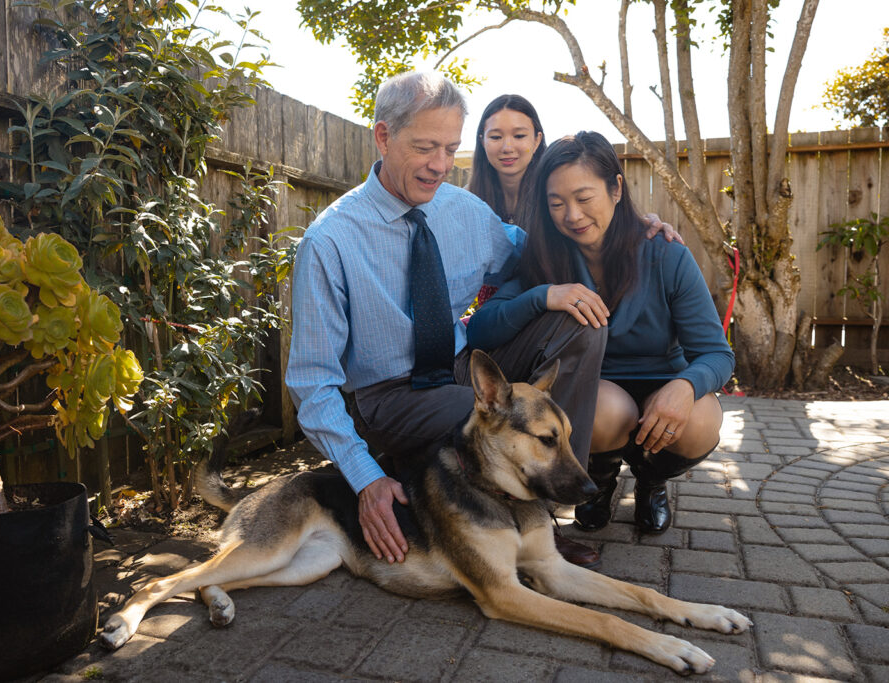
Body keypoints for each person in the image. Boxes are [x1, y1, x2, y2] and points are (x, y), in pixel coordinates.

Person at [284, 72, 607, 570]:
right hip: (389, 397)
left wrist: (625, 228)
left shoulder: (464, 211)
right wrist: (365, 478)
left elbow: (531, 253)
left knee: (578, 322)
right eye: (425, 147)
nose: (439, 165)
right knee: (483, 416)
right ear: (384, 136)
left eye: (451, 148)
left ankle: (555, 495)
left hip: (461, 367)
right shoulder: (330, 243)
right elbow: (313, 382)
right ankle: (529, 531)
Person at [467, 131, 733, 535]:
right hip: (600, 389)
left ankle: (651, 481)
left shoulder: (666, 254)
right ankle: (601, 482)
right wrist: (544, 295)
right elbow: (483, 329)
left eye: (584, 197)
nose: (572, 215)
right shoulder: (544, 258)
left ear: (616, 189)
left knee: (700, 422)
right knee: (610, 410)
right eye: (556, 204)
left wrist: (685, 385)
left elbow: (717, 354)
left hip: (665, 379)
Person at [466, 94, 546, 223]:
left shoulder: (553, 195)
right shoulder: (467, 200)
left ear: (537, 140)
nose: (507, 148)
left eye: (519, 136)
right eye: (496, 137)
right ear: (482, 142)